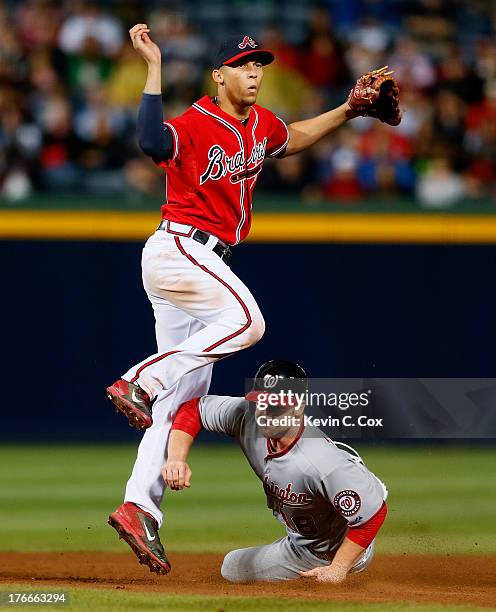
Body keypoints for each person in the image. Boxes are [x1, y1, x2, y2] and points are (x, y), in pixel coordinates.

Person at [106, 23, 397, 575]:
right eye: (243, 65)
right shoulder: (197, 121)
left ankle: (139, 507)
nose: (255, 72)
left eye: (259, 65)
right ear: (220, 75)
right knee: (248, 321)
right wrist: (153, 68)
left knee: (178, 400)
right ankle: (138, 379)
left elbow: (297, 136)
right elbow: (149, 142)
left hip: (201, 266)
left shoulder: (261, 124)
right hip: (180, 250)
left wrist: (349, 110)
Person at [162, 360, 388, 583]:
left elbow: (373, 516)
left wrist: (338, 568)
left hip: (327, 551)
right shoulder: (247, 417)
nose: (265, 412)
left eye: (276, 405)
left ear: (298, 406)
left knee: (232, 568)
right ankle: (360, 485)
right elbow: (194, 409)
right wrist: (175, 459)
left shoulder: (319, 462)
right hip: (308, 531)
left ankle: (360, 489)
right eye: (260, 402)